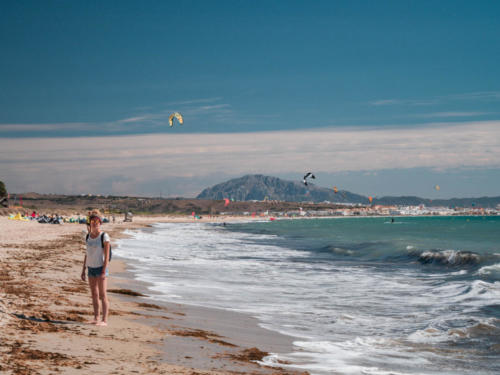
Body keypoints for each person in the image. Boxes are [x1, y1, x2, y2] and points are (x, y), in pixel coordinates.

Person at [80, 214, 111, 326]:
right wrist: (83, 269)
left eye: (96, 222)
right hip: (91, 268)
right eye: (92, 221)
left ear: (100, 223)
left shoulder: (104, 236)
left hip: (100, 268)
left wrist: (104, 270)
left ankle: (104, 320)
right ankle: (96, 318)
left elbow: (107, 256)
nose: (94, 223)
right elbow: (87, 254)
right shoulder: (88, 236)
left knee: (103, 295)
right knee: (94, 294)